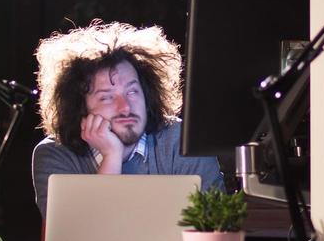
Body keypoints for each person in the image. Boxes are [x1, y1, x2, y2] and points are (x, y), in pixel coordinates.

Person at [31, 20, 223, 217]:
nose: (125, 107)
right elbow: (79, 237)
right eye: (106, 97)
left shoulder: (183, 141)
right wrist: (112, 156)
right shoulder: (54, 154)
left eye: (132, 91)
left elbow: (216, 227)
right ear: (79, 107)